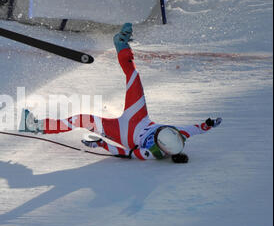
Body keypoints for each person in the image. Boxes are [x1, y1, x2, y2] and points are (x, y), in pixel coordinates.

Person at [19, 23, 222, 163]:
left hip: (123, 132)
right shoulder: (180, 135)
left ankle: (36, 126)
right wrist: (209, 123)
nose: (162, 131)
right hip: (140, 118)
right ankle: (121, 45)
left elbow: (124, 152)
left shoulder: (150, 154)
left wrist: (101, 143)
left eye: (159, 135)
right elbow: (197, 128)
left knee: (83, 119)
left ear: (162, 147)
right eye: (164, 130)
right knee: (134, 77)